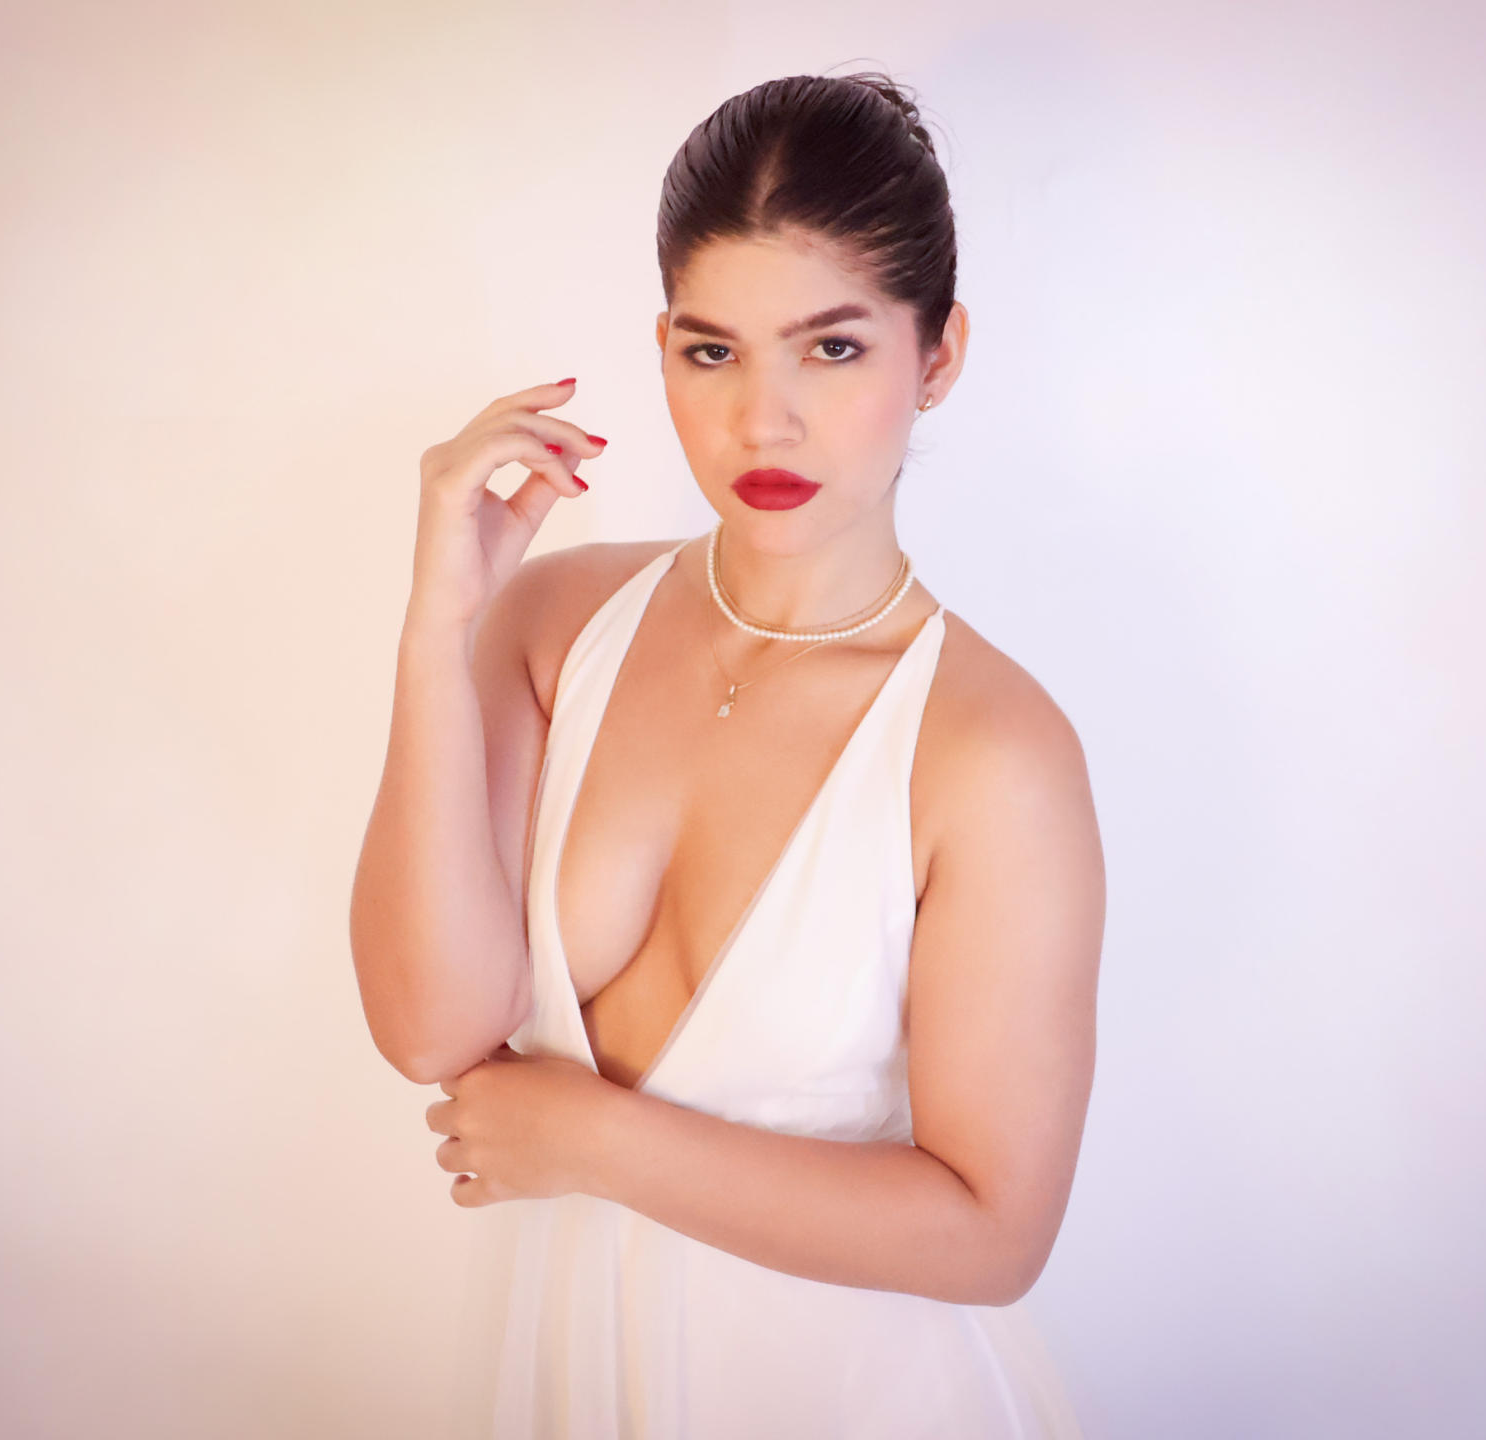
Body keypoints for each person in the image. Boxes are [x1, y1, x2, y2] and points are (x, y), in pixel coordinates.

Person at [350, 71, 1105, 1439]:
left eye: (833, 349)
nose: (764, 420)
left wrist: (591, 1139)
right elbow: (430, 1028)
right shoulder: (558, 624)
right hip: (570, 1379)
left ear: (938, 355)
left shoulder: (993, 753)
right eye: (714, 353)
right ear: (662, 351)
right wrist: (435, 628)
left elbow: (995, 1233)